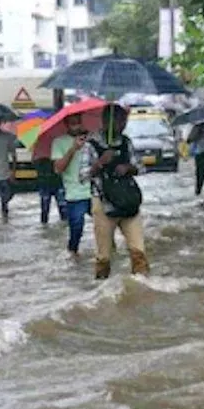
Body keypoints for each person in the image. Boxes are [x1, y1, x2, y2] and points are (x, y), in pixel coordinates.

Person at [86, 105, 149, 279]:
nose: (122, 125)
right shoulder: (91, 144)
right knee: (104, 256)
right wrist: (100, 163)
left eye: (124, 121)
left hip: (128, 201)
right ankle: (101, 289)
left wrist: (129, 167)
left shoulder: (126, 142)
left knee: (138, 251)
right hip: (103, 203)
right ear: (106, 121)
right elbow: (81, 176)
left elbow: (142, 168)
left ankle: (142, 288)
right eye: (119, 121)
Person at [51, 114, 93, 259]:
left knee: (106, 226)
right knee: (76, 229)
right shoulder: (59, 142)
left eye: (78, 122)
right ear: (66, 124)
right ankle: (73, 256)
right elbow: (58, 169)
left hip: (95, 191)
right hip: (75, 194)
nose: (76, 125)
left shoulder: (91, 140)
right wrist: (73, 149)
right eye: (72, 123)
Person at [36, 155, 66, 226]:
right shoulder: (40, 153)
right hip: (48, 183)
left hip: (52, 183)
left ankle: (44, 227)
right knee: (62, 209)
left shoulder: (40, 151)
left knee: (62, 210)